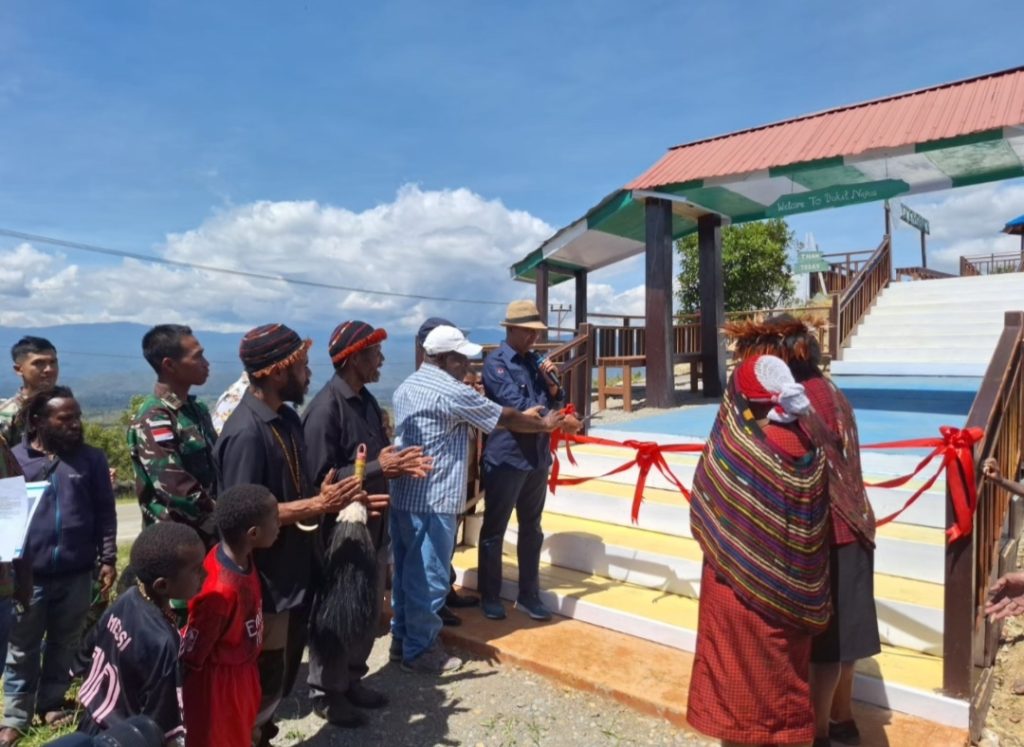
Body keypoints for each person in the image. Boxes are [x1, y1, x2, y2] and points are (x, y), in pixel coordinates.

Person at [725, 316, 880, 747]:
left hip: (825, 532)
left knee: (824, 645)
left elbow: (780, 461)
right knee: (844, 639)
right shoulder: (829, 390)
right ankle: (843, 719)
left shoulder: (797, 399)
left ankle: (817, 734)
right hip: (854, 523)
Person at [214, 323, 366, 747]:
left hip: (295, 573)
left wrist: (332, 496)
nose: (309, 373)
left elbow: (293, 492)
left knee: (278, 681)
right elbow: (240, 517)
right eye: (302, 366)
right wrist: (316, 505)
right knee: (263, 682)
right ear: (278, 372)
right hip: (266, 586)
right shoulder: (246, 432)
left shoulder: (285, 418)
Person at [388, 325, 564, 674]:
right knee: (430, 577)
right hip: (435, 497)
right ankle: (421, 650)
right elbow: (504, 416)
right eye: (461, 360)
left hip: (405, 495)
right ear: (443, 359)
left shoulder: (408, 385)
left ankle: (401, 640)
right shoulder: (450, 391)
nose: (468, 367)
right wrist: (544, 425)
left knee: (407, 574)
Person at [686, 355, 832, 747]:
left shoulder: (737, 447)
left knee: (739, 702)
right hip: (796, 598)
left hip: (736, 593)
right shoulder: (810, 446)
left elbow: (706, 501)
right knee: (784, 692)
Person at [302, 320, 431, 727]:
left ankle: (352, 679)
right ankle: (327, 692)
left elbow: (373, 459)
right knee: (337, 610)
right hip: (342, 533)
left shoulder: (365, 401)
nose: (381, 360)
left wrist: (394, 461)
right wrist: (380, 467)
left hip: (372, 527)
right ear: (355, 358)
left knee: (365, 608)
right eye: (375, 354)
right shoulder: (325, 409)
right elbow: (320, 479)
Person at [1, 386, 117, 747]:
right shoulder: (15, 460)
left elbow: (105, 512)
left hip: (77, 572)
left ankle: (51, 703)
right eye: (64, 419)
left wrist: (108, 558)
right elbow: (7, 521)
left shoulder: (91, 460)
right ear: (38, 421)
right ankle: (16, 717)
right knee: (22, 647)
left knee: (65, 642)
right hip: (28, 576)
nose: (75, 424)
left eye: (77, 417)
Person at [478, 300, 580, 621]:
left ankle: (529, 594)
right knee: (495, 529)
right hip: (506, 458)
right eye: (527, 332)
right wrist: (553, 418)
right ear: (510, 329)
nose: (533, 338)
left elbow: (550, 405)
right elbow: (517, 406)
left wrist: (553, 386)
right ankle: (489, 595)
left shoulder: (536, 362)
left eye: (536, 332)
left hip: (536, 457)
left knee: (532, 528)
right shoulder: (496, 363)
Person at [77, 522, 206, 746]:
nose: (205, 574)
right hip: (126, 737)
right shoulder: (164, 642)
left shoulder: (125, 599)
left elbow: (88, 649)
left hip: (91, 725)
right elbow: (160, 721)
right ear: (162, 585)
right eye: (196, 570)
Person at [181, 484, 280, 747]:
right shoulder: (220, 591)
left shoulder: (243, 557)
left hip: (244, 672)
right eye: (276, 519)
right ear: (253, 533)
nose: (280, 525)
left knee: (242, 734)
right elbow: (195, 652)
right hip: (221, 686)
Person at [413, 316, 481, 623]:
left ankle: (444, 592)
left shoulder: (448, 385)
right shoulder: (429, 388)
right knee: (432, 548)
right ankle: (433, 609)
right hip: (434, 485)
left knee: (447, 541)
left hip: (456, 475)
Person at [128, 324, 219, 547]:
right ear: (169, 365)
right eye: (197, 357)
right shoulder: (155, 417)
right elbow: (173, 485)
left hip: (208, 537)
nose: (206, 364)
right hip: (177, 545)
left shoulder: (196, 410)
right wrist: (220, 516)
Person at [0, 337, 59, 445]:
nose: (49, 369)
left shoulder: (66, 406)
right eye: (39, 363)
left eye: (53, 362)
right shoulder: (7, 415)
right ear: (18, 370)